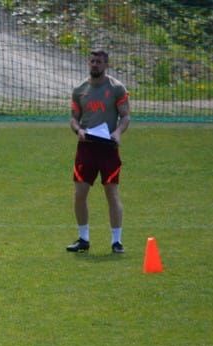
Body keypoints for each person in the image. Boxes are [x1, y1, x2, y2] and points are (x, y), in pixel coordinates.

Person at [67, 49, 131, 254]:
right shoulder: (79, 90)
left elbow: (126, 116)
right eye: (92, 61)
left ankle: (116, 241)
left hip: (108, 148)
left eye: (99, 62)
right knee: (80, 194)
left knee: (111, 193)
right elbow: (74, 118)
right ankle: (83, 239)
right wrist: (79, 130)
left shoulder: (117, 89)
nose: (95, 64)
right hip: (86, 147)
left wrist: (118, 132)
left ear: (106, 65)